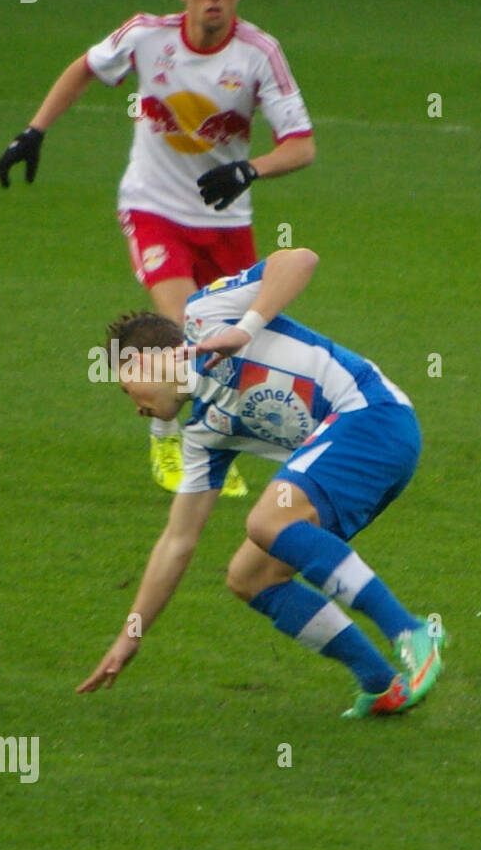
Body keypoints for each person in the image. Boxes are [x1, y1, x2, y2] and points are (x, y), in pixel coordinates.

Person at [0, 0, 316, 497]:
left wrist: (251, 168)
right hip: (152, 208)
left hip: (225, 221)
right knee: (183, 329)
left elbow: (303, 145)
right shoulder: (147, 37)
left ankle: (213, 443)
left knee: (228, 350)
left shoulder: (259, 54)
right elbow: (84, 69)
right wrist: (33, 132)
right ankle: (167, 438)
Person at [77, 248, 447, 718]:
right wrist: (130, 636)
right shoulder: (202, 433)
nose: (135, 406)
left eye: (128, 388)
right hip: (356, 461)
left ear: (148, 364)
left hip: (375, 415)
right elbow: (178, 540)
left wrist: (244, 329)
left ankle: (410, 631)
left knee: (268, 519)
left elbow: (302, 259)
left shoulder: (205, 316)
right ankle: (380, 684)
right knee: (250, 577)